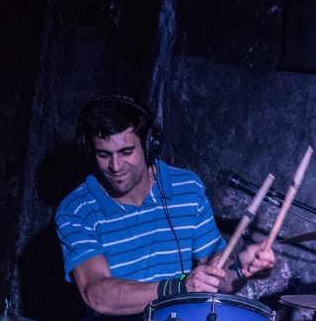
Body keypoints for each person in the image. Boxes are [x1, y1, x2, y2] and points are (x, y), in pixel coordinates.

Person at [55, 95, 276, 320]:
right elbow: (97, 294)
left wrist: (241, 269)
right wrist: (177, 288)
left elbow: (215, 274)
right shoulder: (76, 209)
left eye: (126, 152)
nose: (116, 166)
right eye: (104, 155)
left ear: (150, 146)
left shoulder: (187, 188)